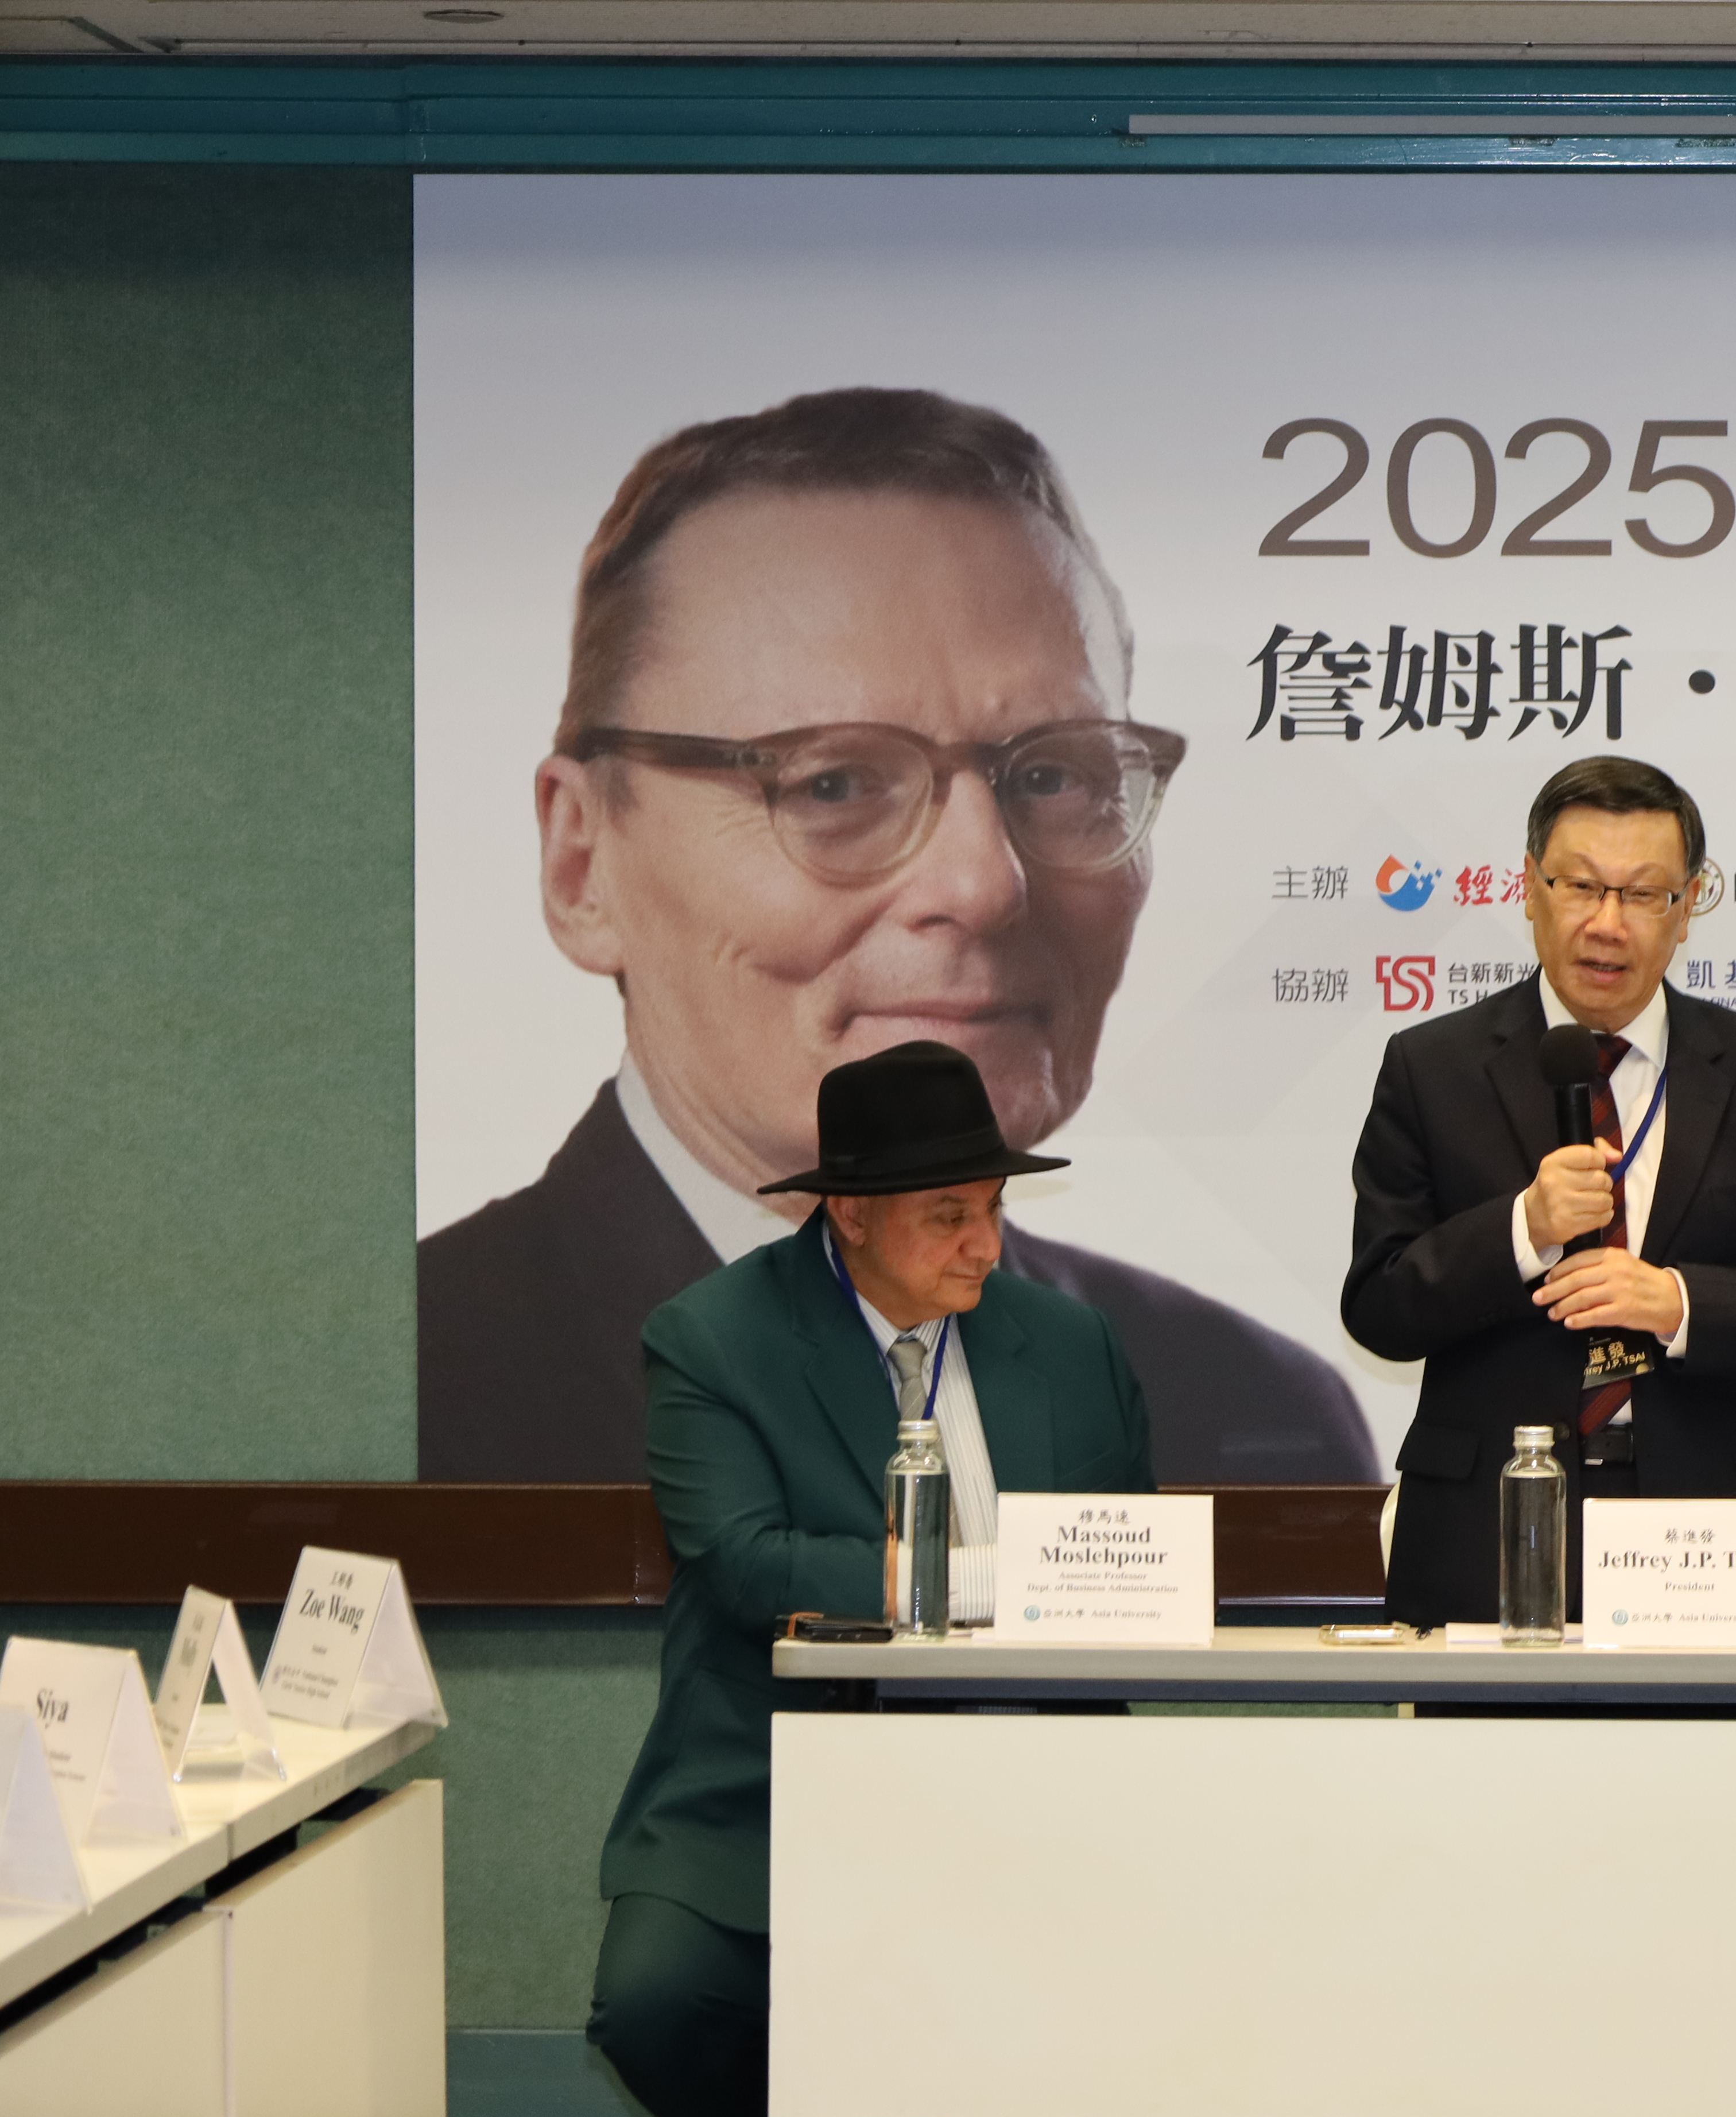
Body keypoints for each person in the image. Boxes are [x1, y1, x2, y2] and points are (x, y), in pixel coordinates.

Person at [418, 385, 1371, 1489]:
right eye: (833, 783)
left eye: (1055, 774)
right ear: (583, 862)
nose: (983, 883)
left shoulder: (1251, 1414)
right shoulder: (404, 1397)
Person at [1340, 754, 1736, 2117]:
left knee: (1707, 1919)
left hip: (1704, 1554)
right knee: (1478, 1920)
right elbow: (1378, 1302)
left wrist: (1681, 1304)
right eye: (1580, 883)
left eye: (1646, 890)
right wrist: (1518, 1230)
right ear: (1526, 886)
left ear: (1692, 904)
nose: (1609, 919)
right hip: (1480, 1558)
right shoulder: (1436, 1069)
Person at [585, 1041, 1151, 2117]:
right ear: (847, 1216)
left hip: (1032, 1779)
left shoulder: (1071, 1345)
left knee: (1183, 1932)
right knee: (656, 2001)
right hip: (774, 1780)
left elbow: (1119, 1558)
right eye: (948, 1215)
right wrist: (979, 1575)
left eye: (994, 1207)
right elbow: (742, 1562)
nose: (985, 1245)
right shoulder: (715, 1337)